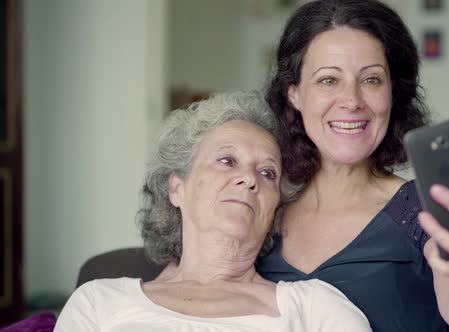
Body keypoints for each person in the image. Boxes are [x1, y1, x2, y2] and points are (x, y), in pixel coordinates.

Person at [257, 1, 449, 331]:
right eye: (329, 80)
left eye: (372, 79)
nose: (352, 100)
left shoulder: (424, 208)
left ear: (393, 93)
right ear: (294, 95)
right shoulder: (264, 208)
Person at [54, 91, 372, 332]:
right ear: (176, 188)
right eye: (227, 161)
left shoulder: (314, 307)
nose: (249, 178)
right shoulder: (99, 301)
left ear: (274, 208)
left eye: (267, 173)